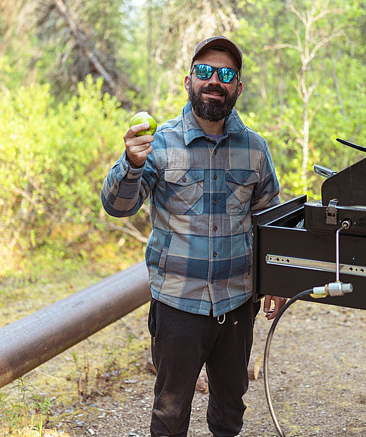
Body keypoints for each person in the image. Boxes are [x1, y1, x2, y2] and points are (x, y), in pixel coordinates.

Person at [101, 36, 286, 437]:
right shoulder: (159, 144)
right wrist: (131, 164)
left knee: (230, 409)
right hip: (177, 306)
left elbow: (269, 219)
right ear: (189, 81)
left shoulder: (255, 148)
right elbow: (118, 206)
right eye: (204, 72)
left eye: (226, 74)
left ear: (238, 86)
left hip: (238, 304)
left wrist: (277, 281)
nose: (214, 81)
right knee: (170, 415)